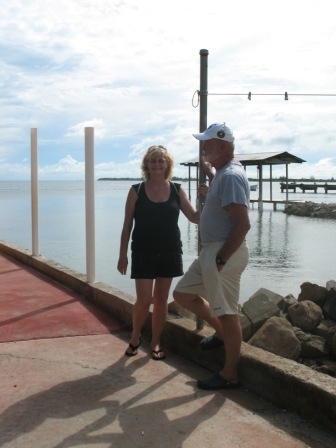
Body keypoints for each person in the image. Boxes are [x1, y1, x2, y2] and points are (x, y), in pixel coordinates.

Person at [173, 122, 251, 390]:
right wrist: (210, 174)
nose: (203, 148)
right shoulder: (223, 174)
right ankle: (218, 332)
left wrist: (221, 259)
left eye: (208, 143)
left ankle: (229, 374)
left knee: (229, 314)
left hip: (222, 252)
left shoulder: (229, 176)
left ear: (223, 145)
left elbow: (243, 225)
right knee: (182, 294)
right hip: (212, 251)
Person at [117, 145, 199, 360]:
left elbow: (194, 217)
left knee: (161, 300)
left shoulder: (176, 189)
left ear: (167, 164)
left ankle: (155, 343)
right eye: (153, 161)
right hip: (143, 252)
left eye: (161, 160)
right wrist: (122, 255)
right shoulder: (136, 190)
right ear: (147, 165)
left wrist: (208, 197)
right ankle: (135, 338)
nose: (157, 164)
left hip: (170, 251)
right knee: (144, 301)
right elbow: (127, 226)